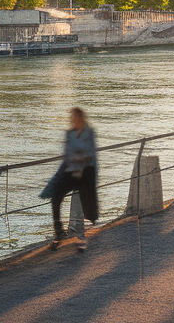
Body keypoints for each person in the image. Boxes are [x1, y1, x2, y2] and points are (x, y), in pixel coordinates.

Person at [46, 107, 99, 250]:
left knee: (86, 201)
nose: (73, 120)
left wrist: (79, 158)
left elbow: (90, 154)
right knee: (56, 196)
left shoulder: (89, 133)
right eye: (72, 118)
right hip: (71, 171)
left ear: (82, 119)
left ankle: (82, 235)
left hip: (85, 173)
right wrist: (78, 157)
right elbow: (68, 154)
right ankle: (58, 230)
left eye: (75, 118)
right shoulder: (69, 134)